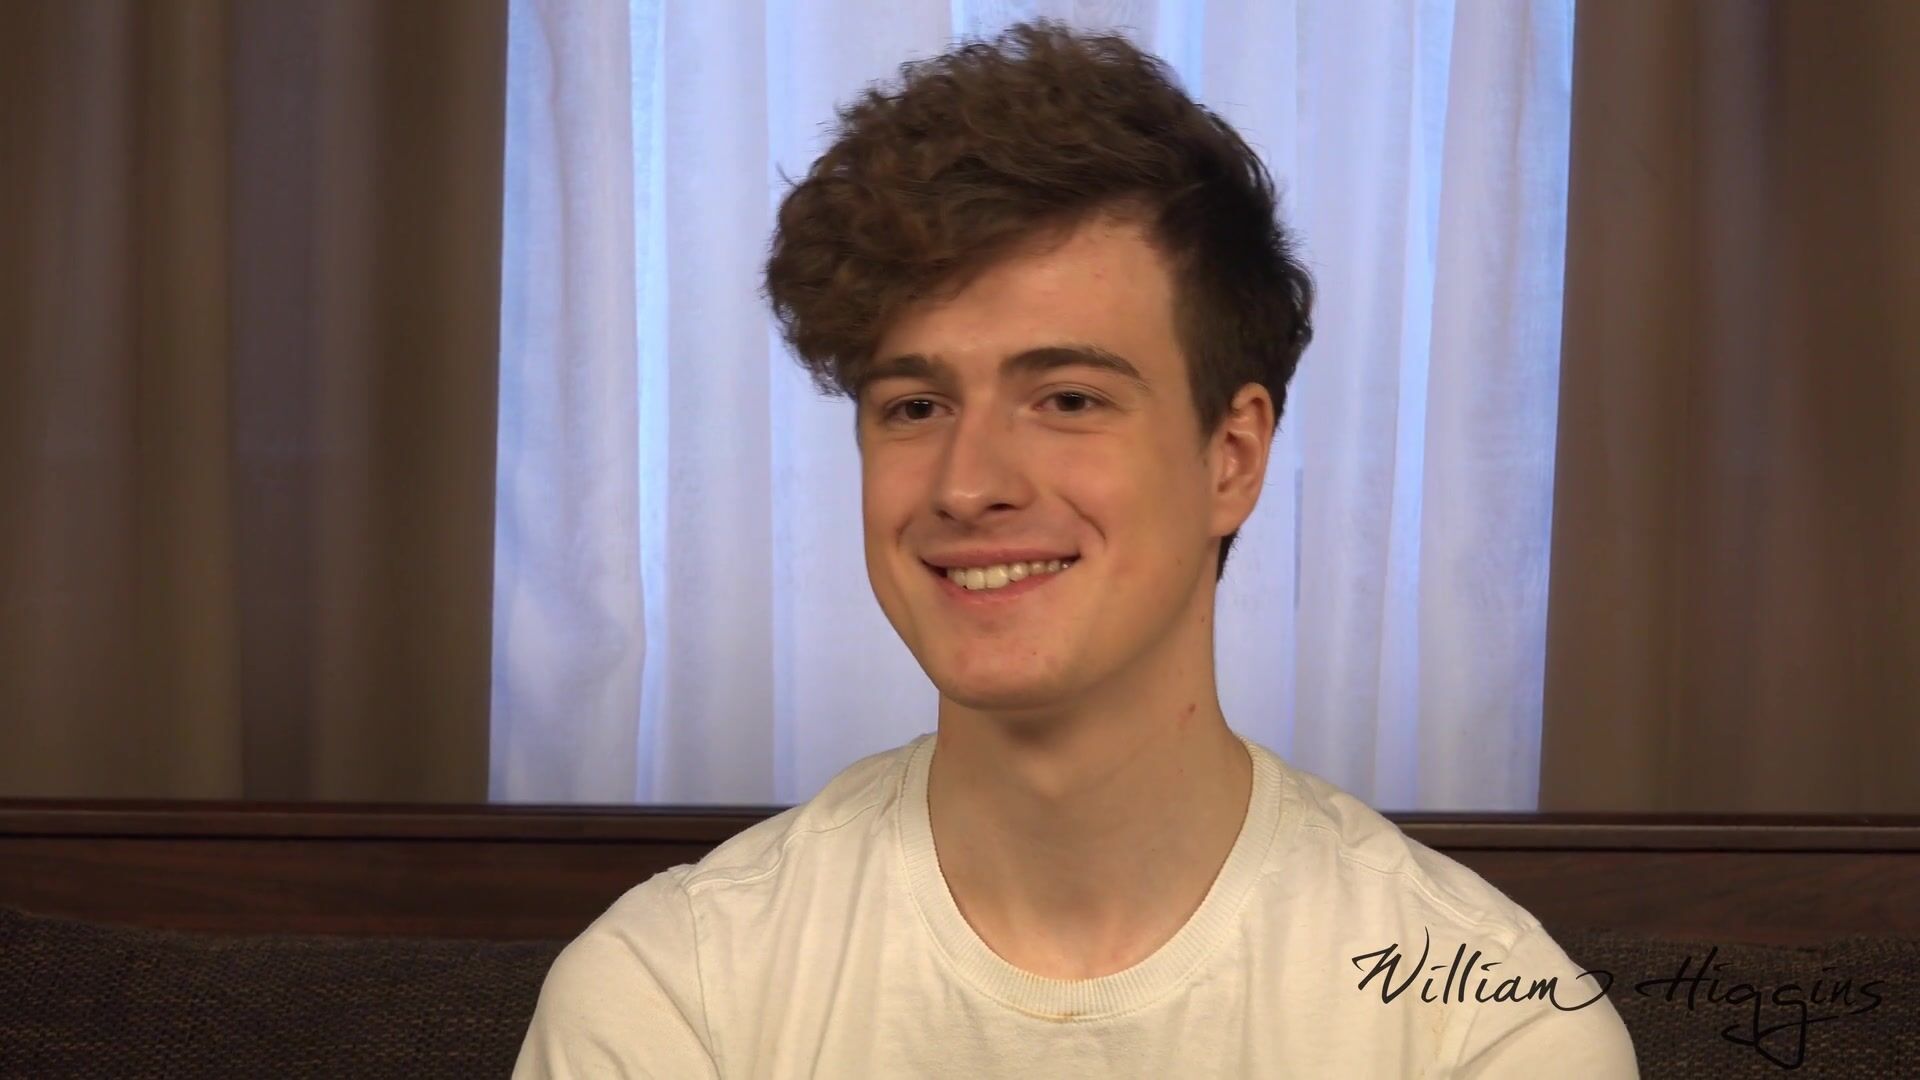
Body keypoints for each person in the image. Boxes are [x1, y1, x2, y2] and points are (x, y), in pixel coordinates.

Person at [514, 19, 1637, 1078]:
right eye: (914, 407)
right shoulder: (674, 992)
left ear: (1232, 458)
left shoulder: (1485, 1029)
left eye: (1067, 398)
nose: (968, 485)